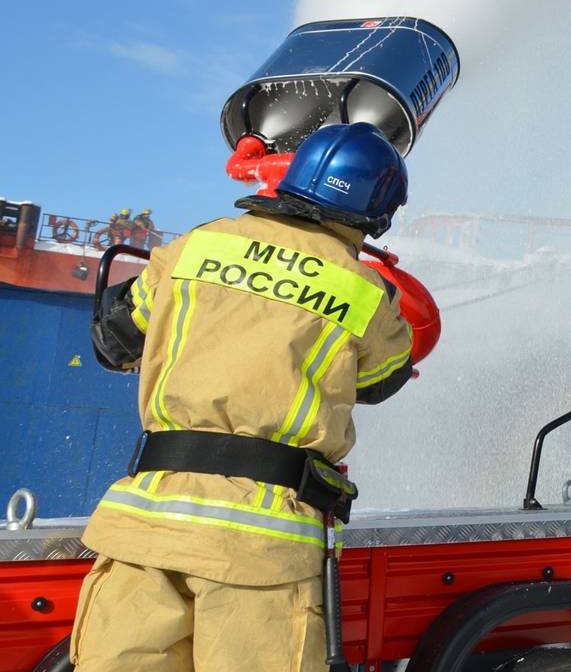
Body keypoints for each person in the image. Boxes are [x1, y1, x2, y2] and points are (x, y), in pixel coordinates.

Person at [72, 122, 416, 672]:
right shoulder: (363, 289)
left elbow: (113, 339)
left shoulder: (193, 247)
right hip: (262, 549)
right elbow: (384, 380)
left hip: (144, 529)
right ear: (379, 212)